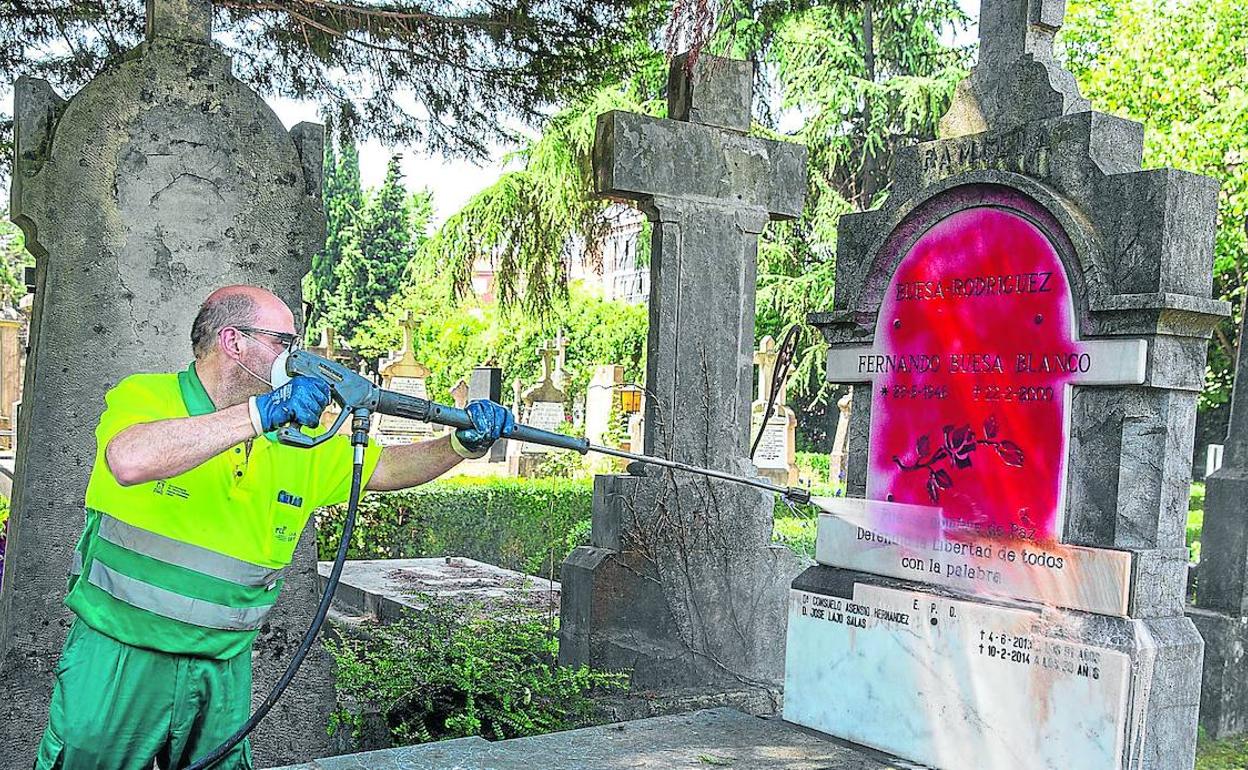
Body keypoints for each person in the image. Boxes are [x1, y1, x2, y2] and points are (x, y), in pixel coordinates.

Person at [34, 285, 515, 770]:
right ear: (233, 342)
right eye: (283, 343)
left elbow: (386, 468)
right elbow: (130, 459)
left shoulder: (298, 440)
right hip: (119, 656)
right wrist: (261, 414)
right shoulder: (147, 395)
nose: (297, 358)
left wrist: (460, 446)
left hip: (223, 665)